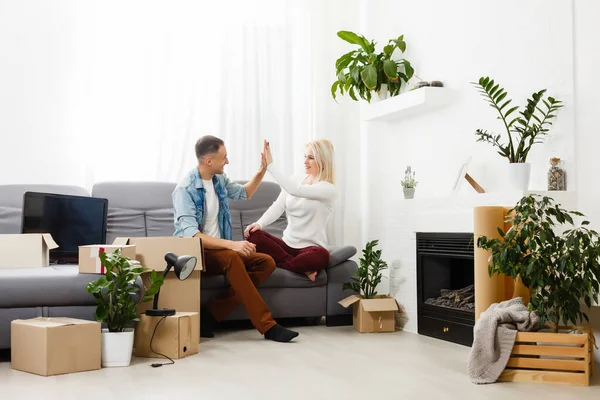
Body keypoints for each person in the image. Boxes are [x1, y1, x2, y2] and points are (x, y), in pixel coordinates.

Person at [172, 135, 299, 343]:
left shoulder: (218, 180)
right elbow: (192, 235)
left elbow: (245, 193)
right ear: (209, 161)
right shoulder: (185, 190)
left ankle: (210, 315)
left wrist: (263, 169)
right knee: (233, 257)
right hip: (194, 254)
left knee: (265, 262)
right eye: (224, 158)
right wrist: (233, 245)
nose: (227, 162)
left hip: (220, 252)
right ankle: (268, 326)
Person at [245, 139, 336, 282]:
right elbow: (278, 206)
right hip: (286, 246)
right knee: (253, 234)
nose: (305, 161)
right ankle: (300, 268)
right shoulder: (296, 179)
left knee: (323, 256)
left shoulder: (328, 189)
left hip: (310, 250)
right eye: (305, 156)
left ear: (323, 161)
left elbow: (296, 190)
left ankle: (287, 263)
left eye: (311, 158)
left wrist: (271, 166)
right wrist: (259, 224)